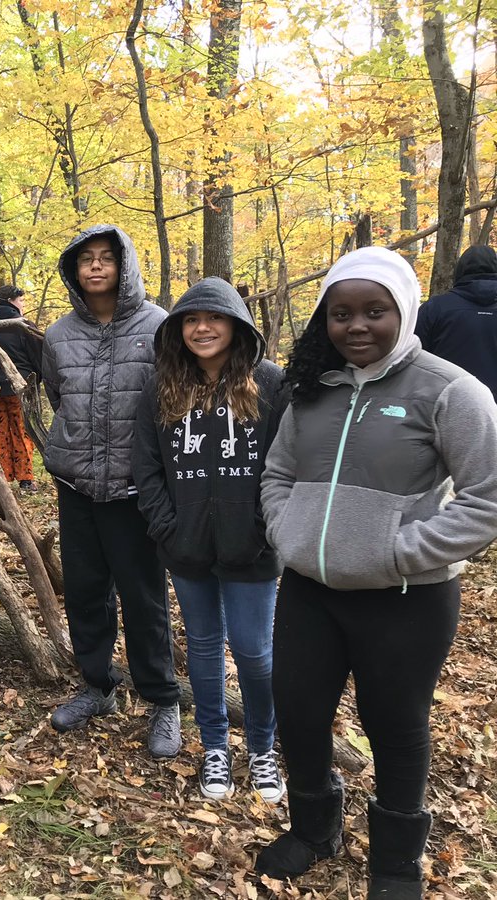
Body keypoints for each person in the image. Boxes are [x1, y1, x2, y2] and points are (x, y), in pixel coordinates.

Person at [255, 247, 497, 899]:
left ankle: (394, 865)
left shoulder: (449, 390)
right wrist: (288, 530)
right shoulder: (312, 391)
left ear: (405, 311)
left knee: (395, 724)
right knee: (299, 713)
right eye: (341, 313)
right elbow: (278, 473)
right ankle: (314, 830)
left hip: (406, 599)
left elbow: (488, 495)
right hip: (310, 592)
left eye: (374, 311)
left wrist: (399, 551)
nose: (356, 325)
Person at [132, 277, 288, 802]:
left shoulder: (270, 384)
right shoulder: (161, 387)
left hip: (254, 547)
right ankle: (215, 745)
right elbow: (146, 467)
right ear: (177, 331)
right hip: (187, 547)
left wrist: (268, 530)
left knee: (254, 651)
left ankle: (264, 749)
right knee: (201, 646)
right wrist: (168, 530)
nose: (202, 329)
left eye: (214, 318)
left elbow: (289, 465)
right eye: (191, 321)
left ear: (236, 325)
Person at [41, 224, 182, 757]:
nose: (96, 267)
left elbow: (173, 403)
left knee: (143, 595)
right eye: (87, 260)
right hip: (76, 483)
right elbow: (61, 396)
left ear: (125, 265)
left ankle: (162, 698)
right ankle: (96, 686)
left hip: (135, 489)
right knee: (83, 590)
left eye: (107, 258)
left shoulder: (160, 326)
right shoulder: (57, 336)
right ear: (74, 271)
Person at [414, 245, 497, 398]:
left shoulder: (434, 308)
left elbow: (414, 360)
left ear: (459, 271)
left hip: (446, 404)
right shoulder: (435, 308)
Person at [0, 284, 44, 491]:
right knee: (23, 431)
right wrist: (36, 380)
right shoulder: (23, 325)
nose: (23, 305)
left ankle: (1, 479)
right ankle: (25, 479)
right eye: (21, 301)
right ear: (11, 301)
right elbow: (38, 355)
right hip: (21, 387)